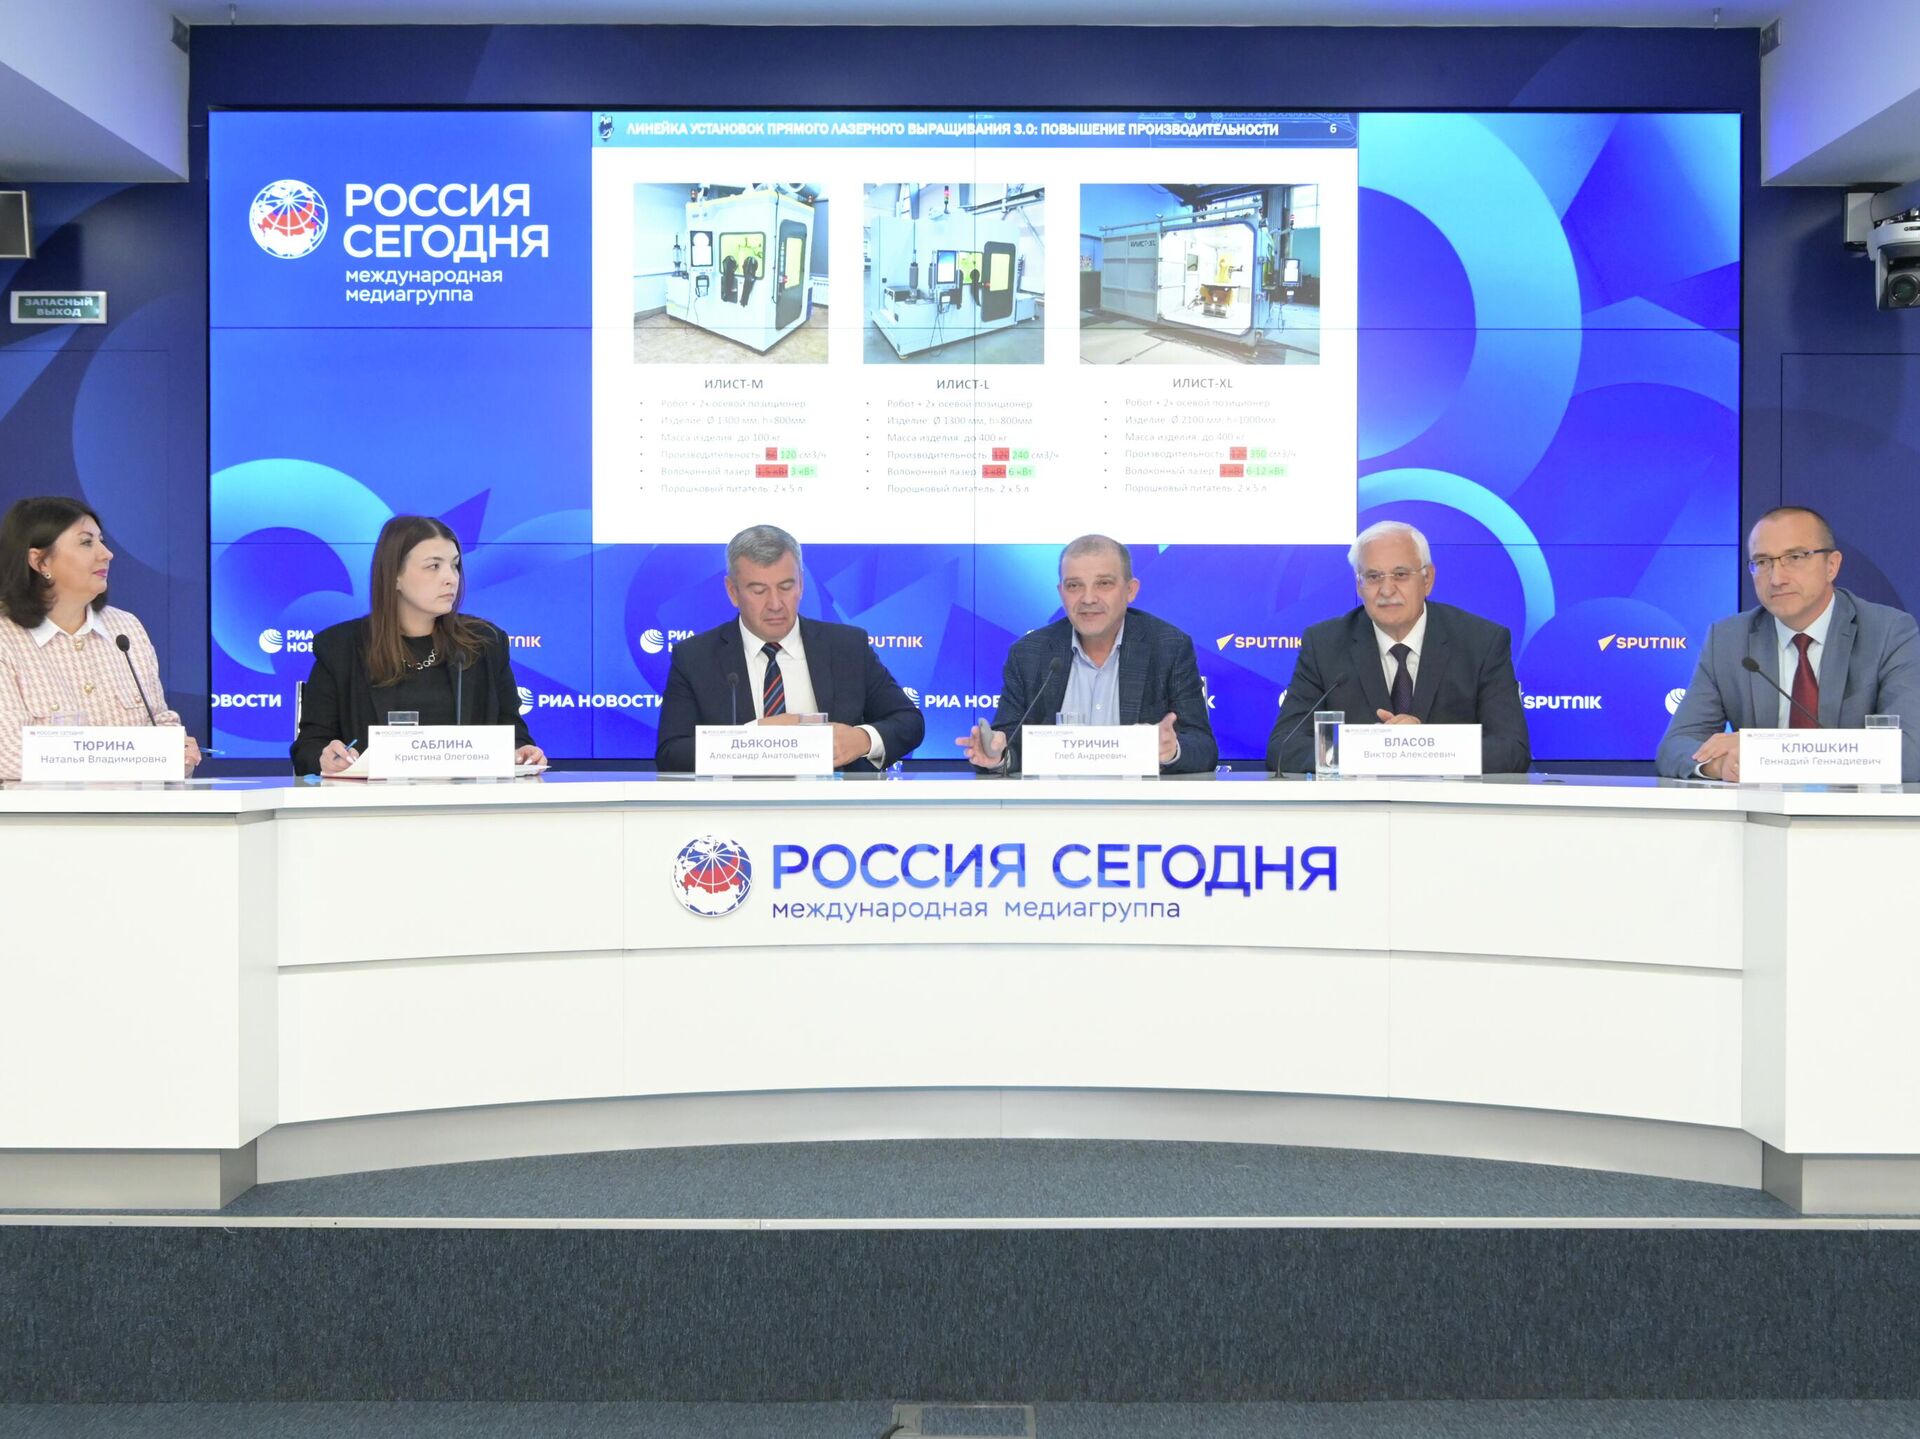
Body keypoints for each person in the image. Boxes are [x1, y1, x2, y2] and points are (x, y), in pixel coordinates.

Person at [1658, 505, 1920, 782]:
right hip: (1761, 809)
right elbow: (1675, 747)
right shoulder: (1728, 640)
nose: (1777, 579)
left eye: (1795, 557)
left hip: (1854, 808)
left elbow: (1910, 753)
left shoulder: (1889, 632)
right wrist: (1719, 765)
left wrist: (1764, 751)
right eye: (1762, 562)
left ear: (1831, 565)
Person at [655, 524, 925, 772]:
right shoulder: (695, 657)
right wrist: (752, 738)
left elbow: (908, 721)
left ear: (801, 584)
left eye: (786, 587)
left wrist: (861, 739)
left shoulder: (847, 647)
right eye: (758, 590)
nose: (775, 604)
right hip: (737, 806)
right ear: (732, 591)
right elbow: (671, 753)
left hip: (834, 805)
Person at [1268, 520, 1530, 774]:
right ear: (1359, 586)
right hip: (1359, 802)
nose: (1386, 590)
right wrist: (1370, 751)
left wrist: (1422, 747)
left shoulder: (1481, 642)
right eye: (1373, 576)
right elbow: (1284, 746)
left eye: (1400, 575)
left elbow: (1511, 749)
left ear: (1427, 579)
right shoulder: (1324, 644)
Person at [291, 515, 545, 775]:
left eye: (455, 565)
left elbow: (514, 734)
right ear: (394, 576)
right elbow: (308, 748)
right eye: (433, 566)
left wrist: (522, 752)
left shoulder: (485, 644)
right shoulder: (340, 648)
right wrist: (326, 757)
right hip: (372, 799)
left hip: (468, 799)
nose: (451, 578)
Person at [959, 534, 1216, 774]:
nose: (1088, 598)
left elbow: (1204, 748)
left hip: (1138, 805)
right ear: (1061, 592)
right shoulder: (1029, 654)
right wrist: (997, 755)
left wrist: (1171, 750)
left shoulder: (1168, 647)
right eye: (1074, 586)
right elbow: (1007, 743)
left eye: (1104, 584)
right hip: (1050, 803)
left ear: (1130, 590)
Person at [0, 496, 201, 781]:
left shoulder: (125, 628)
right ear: (40, 560)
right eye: (86, 542)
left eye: (101, 541)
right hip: (45, 810)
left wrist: (177, 752)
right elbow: (8, 753)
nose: (107, 554)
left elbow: (159, 724)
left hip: (137, 809)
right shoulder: (6, 638)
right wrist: (138, 758)